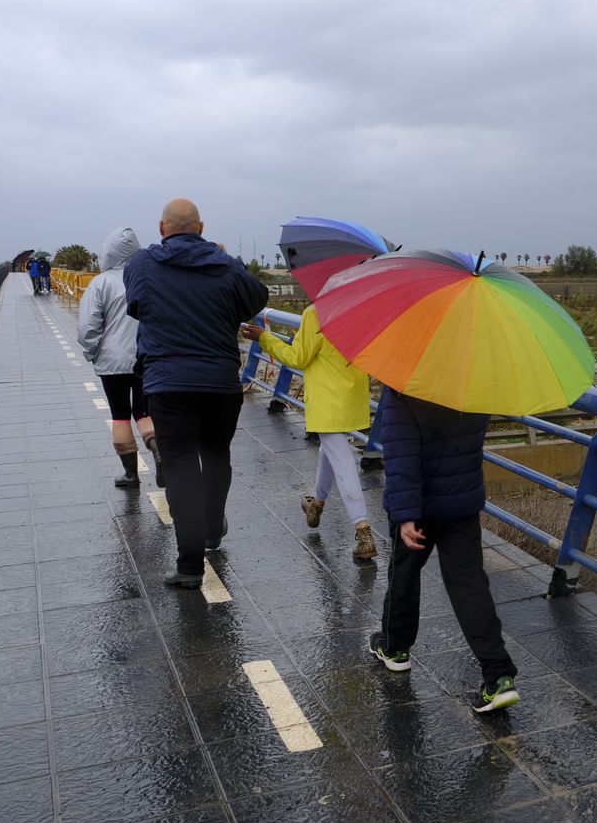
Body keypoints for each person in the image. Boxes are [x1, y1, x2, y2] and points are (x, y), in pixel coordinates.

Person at [125, 198, 268, 588]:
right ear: (201, 229)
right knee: (216, 453)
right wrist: (229, 260)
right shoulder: (225, 266)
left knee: (181, 465)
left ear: (161, 227)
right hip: (221, 381)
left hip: (169, 383)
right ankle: (211, 529)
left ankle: (190, 566)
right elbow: (257, 299)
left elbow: (136, 306)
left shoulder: (142, 264)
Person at [368, 387, 520, 713]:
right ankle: (499, 675)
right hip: (461, 504)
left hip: (418, 507)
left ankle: (394, 648)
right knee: (470, 586)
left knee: (403, 577)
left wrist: (406, 513)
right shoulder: (474, 378)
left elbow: (402, 452)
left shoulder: (404, 383)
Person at [239, 309, 377, 560]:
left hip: (327, 399)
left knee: (343, 462)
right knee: (330, 450)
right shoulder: (360, 308)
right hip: (352, 395)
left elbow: (298, 358)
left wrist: (265, 338)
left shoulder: (317, 313)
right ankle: (316, 505)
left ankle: (363, 531)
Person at [77, 226, 162, 489]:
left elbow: (88, 326)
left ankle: (131, 475)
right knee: (143, 410)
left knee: (120, 415)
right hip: (145, 357)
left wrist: (92, 353)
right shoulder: (148, 278)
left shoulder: (101, 283)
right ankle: (159, 452)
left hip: (111, 361)